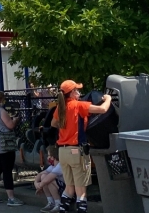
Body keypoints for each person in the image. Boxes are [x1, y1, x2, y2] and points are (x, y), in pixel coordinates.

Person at [51, 81, 111, 213]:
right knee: (81, 190)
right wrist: (108, 98)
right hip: (76, 151)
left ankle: (63, 210)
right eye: (77, 90)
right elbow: (103, 110)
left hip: (63, 151)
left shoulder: (60, 108)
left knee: (69, 187)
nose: (79, 92)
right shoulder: (78, 105)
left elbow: (53, 123)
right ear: (71, 93)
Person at [35, 146, 66, 212]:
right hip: (59, 188)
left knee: (48, 181)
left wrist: (39, 186)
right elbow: (40, 174)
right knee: (43, 176)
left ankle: (58, 204)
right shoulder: (52, 166)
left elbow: (48, 179)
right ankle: (51, 202)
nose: (47, 158)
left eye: (49, 155)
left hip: (67, 191)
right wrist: (36, 183)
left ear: (53, 157)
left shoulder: (60, 165)